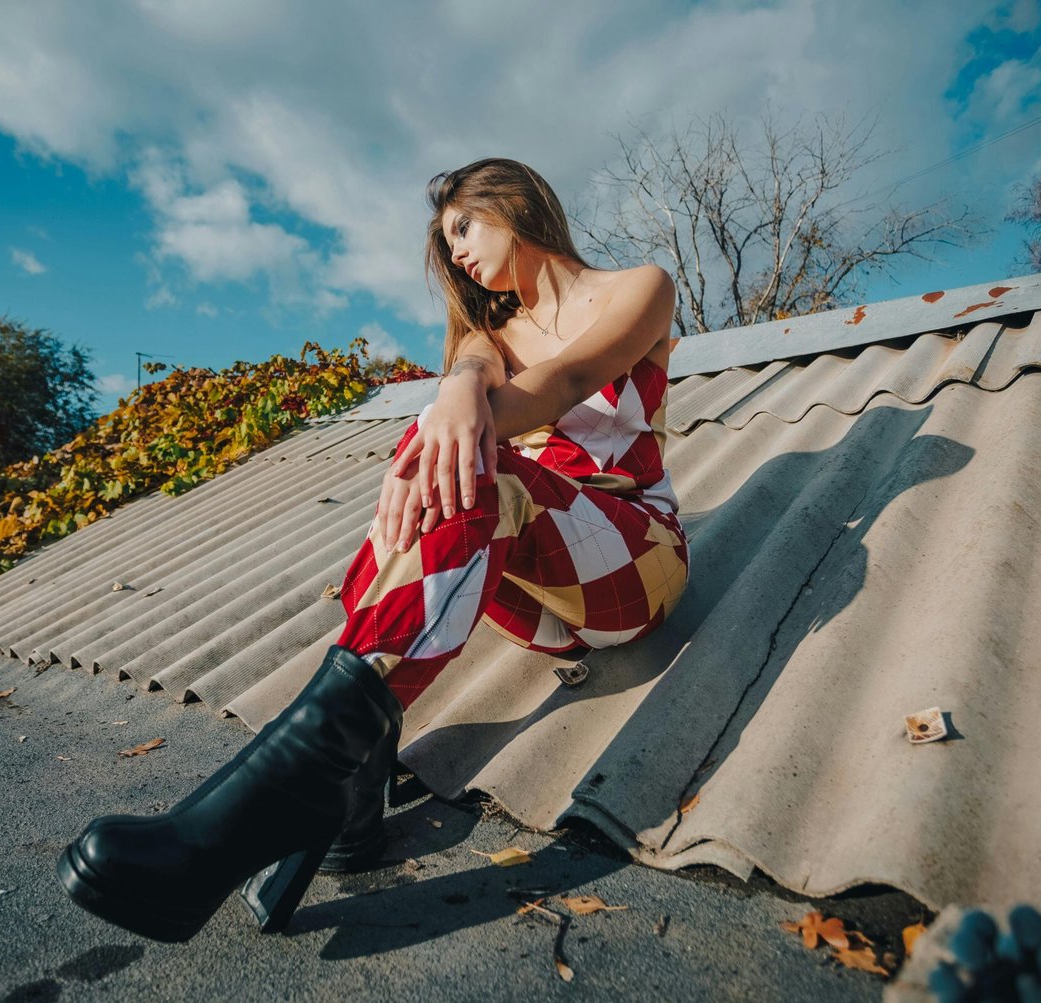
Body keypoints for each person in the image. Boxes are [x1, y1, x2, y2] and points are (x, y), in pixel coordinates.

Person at [57, 158, 689, 943]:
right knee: (451, 455)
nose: (456, 252)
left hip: (635, 559)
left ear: (512, 202)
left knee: (466, 458)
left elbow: (567, 377)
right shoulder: (492, 337)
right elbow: (472, 367)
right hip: (538, 595)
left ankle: (260, 812)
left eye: (463, 227)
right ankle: (344, 791)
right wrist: (455, 390)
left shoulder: (639, 286)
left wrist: (446, 427)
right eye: (446, 242)